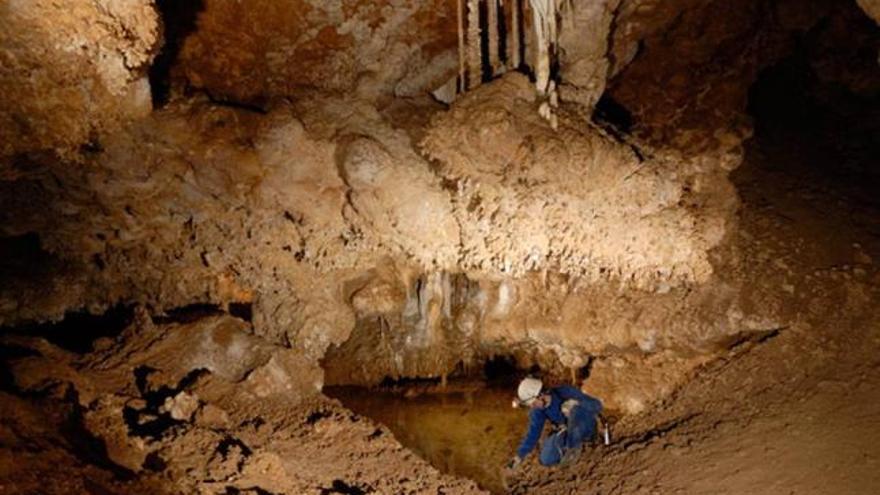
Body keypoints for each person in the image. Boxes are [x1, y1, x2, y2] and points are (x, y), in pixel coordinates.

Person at [507, 377, 603, 469]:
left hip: (585, 425)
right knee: (546, 459)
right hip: (567, 430)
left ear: (540, 395)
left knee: (575, 412)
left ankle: (576, 449)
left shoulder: (564, 392)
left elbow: (596, 405)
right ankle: (571, 448)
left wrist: (576, 405)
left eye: (533, 403)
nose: (533, 406)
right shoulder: (538, 410)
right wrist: (519, 456)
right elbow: (533, 433)